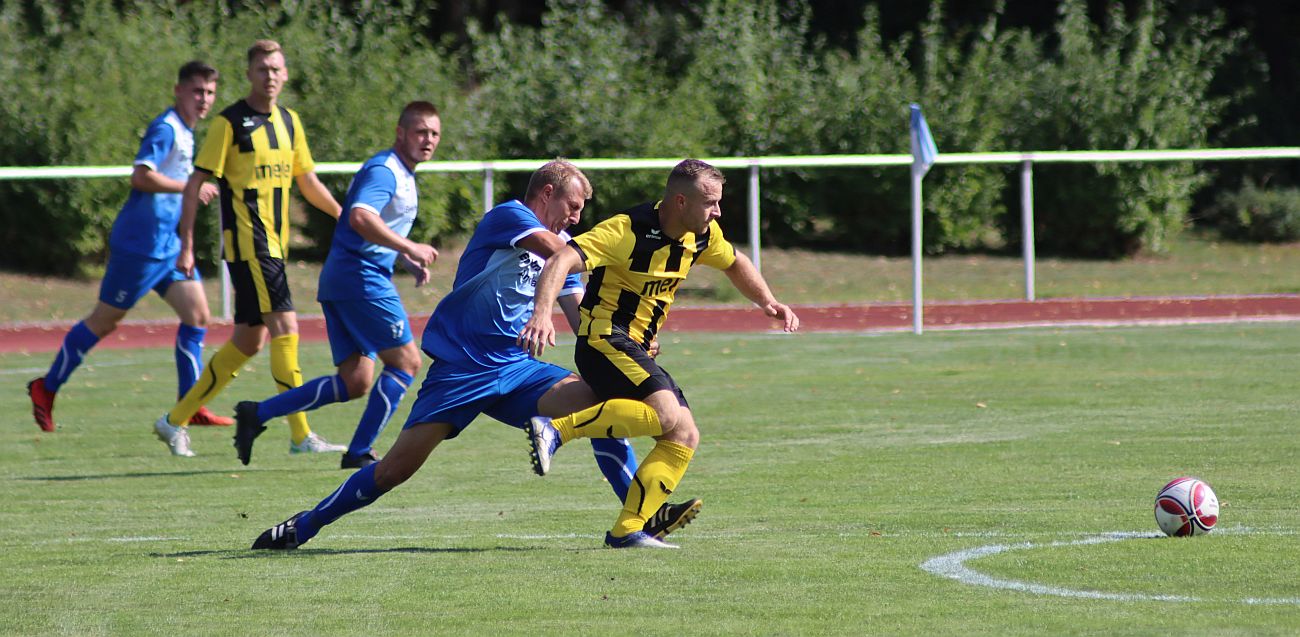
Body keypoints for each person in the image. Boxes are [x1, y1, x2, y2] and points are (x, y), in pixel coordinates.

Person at [250, 160, 700, 550]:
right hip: (462, 369)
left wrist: (627, 336)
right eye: (573, 207)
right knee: (392, 472)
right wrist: (624, 254)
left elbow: (583, 315)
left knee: (603, 406)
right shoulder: (510, 216)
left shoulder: (561, 253)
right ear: (548, 193)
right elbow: (564, 254)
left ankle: (637, 522)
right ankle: (301, 527)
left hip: (518, 368)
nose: (577, 219)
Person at [519, 159, 800, 549]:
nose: (717, 211)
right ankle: (554, 431)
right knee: (667, 414)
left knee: (684, 434)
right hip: (603, 339)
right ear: (680, 201)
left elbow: (735, 262)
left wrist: (769, 302)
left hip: (636, 347)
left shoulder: (701, 235)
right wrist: (540, 313)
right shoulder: (627, 229)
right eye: (710, 203)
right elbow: (562, 258)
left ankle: (627, 530)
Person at [154, 39, 346, 457]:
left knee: (247, 342)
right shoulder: (230, 123)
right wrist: (186, 245)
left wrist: (342, 214)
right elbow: (194, 184)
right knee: (287, 330)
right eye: (262, 69)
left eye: (276, 69)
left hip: (272, 247)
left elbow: (307, 181)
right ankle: (300, 435)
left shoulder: (291, 122)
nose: (270, 76)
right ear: (249, 74)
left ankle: (173, 421)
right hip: (250, 245)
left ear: (285, 74)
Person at [26, 61, 235, 432]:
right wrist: (189, 186)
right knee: (104, 322)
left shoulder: (187, 132)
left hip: (167, 246)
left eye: (210, 93)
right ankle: (46, 387)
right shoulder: (166, 128)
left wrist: (186, 240)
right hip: (139, 247)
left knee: (198, 316)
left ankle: (190, 405)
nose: (204, 99)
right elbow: (141, 176)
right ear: (179, 91)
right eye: (197, 91)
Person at [231, 101, 441, 469]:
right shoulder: (386, 170)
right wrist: (409, 246)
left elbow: (372, 227)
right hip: (361, 278)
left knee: (355, 381)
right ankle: (359, 451)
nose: (428, 140)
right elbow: (360, 216)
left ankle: (256, 412)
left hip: (345, 276)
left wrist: (404, 258)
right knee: (406, 362)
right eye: (421, 131)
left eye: (434, 134)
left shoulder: (402, 172)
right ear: (401, 132)